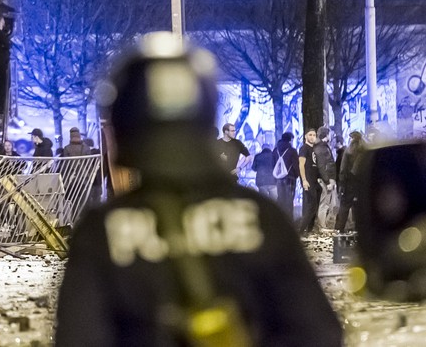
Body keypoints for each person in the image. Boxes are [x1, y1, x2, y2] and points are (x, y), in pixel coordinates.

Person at [55, 32, 342, 346]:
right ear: (206, 116)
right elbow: (318, 332)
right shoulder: (263, 219)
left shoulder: (102, 234)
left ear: (124, 126)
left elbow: (79, 336)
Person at [335, 130, 363, 231]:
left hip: (349, 182)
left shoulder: (347, 151)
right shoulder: (364, 151)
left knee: (344, 206)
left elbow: (342, 169)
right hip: (361, 183)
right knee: (359, 206)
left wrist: (341, 183)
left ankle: (339, 228)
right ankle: (359, 229)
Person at [314, 127, 339, 230]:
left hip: (328, 179)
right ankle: (322, 225)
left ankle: (325, 223)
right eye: (329, 134)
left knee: (329, 203)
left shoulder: (323, 147)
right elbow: (321, 166)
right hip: (326, 179)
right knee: (324, 203)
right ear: (326, 135)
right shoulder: (321, 148)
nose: (331, 136)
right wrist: (327, 181)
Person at [273, 132, 299, 220]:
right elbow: (296, 165)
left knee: (281, 198)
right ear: (290, 139)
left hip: (279, 178)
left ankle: (280, 219)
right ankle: (289, 220)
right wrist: (296, 175)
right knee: (289, 199)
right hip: (290, 177)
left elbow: (273, 164)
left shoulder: (275, 150)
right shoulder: (292, 151)